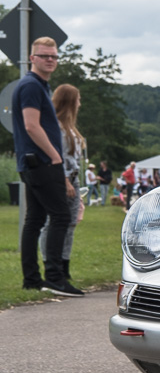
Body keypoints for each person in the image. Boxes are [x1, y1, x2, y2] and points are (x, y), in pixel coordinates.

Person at [11, 37, 83, 296]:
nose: (50, 60)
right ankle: (54, 278)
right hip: (41, 162)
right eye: (44, 56)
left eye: (53, 56)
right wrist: (55, 157)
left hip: (33, 162)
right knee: (61, 216)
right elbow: (32, 125)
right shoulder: (31, 86)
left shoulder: (38, 86)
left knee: (35, 220)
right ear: (32, 58)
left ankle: (32, 280)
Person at [40, 84, 86, 284]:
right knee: (53, 224)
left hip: (73, 179)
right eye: (78, 99)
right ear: (69, 101)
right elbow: (57, 157)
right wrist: (65, 181)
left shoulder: (71, 129)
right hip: (61, 178)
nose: (80, 103)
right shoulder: (55, 128)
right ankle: (51, 265)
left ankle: (64, 266)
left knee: (70, 224)